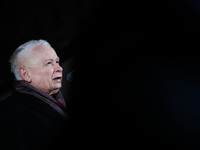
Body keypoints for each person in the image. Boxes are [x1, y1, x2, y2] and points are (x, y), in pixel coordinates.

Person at [0, 40, 69, 150]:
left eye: (57, 62)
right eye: (49, 63)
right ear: (26, 74)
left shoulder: (61, 101)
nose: (59, 68)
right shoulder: (7, 115)